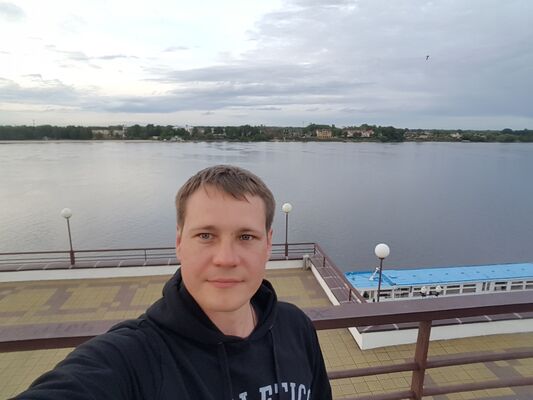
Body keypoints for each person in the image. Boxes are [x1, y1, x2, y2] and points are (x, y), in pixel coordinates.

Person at [14, 165, 332, 400]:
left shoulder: (296, 327)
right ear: (179, 242)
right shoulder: (134, 358)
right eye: (205, 235)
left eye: (246, 237)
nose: (226, 258)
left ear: (268, 243)